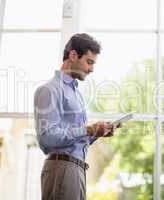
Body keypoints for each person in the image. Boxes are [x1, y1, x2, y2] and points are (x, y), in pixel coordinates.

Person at [33, 33, 120, 200]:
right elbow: (47, 138)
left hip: (77, 169)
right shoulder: (49, 90)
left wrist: (96, 133)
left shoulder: (76, 95)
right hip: (62, 169)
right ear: (73, 55)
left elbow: (75, 139)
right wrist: (88, 129)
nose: (91, 69)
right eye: (89, 62)